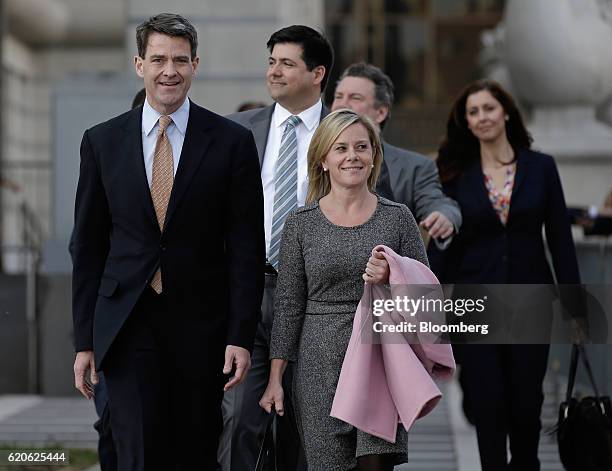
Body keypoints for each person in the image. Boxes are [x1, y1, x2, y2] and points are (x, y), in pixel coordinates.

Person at [71, 13, 264, 471]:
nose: (169, 71)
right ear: (139, 64)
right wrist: (84, 342)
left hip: (202, 325)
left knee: (194, 450)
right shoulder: (101, 142)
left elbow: (245, 249)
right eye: (158, 59)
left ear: (195, 64)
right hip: (126, 323)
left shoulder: (231, 142)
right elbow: (87, 246)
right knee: (135, 449)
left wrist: (240, 336)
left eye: (180, 59)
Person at [220, 25, 394, 471]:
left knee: (310, 431)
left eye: (286, 63)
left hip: (326, 304)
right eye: (271, 61)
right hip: (249, 294)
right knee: (240, 421)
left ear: (318, 73)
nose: (273, 71)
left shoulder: (352, 139)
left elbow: (380, 218)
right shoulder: (238, 132)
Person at [259, 109, 428, 470]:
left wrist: (393, 273)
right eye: (340, 148)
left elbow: (426, 297)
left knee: (375, 466)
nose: (352, 156)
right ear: (323, 160)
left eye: (361, 147)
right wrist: (275, 379)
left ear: (373, 156)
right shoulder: (300, 224)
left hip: (381, 357)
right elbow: (288, 306)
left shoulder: (398, 218)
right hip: (319, 362)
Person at [427, 79, 582, 470]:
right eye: (473, 112)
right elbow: (449, 245)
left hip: (531, 301)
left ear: (506, 111)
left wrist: (576, 307)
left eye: (488, 108)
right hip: (475, 303)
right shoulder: (456, 175)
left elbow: (561, 240)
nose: (482, 117)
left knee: (526, 405)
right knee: (487, 405)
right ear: (466, 122)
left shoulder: (541, 167)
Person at [331, 62, 461, 246]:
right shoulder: (310, 158)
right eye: (338, 96)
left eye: (355, 98)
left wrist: (443, 216)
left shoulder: (414, 168)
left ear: (381, 112)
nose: (342, 104)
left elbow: (438, 204)